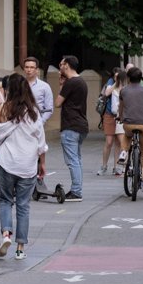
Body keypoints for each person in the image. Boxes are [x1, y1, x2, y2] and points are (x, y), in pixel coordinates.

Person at [0, 74, 47, 261]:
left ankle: (6, 234)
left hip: (7, 161)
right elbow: (41, 141)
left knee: (5, 200)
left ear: (9, 89)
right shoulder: (34, 112)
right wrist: (42, 163)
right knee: (23, 206)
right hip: (28, 163)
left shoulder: (4, 108)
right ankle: (20, 247)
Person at [55, 55, 88, 201]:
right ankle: (77, 189)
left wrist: (61, 85)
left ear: (66, 65)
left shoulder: (71, 83)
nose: (60, 66)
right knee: (77, 159)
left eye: (61, 64)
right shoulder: (81, 81)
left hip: (70, 125)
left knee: (72, 160)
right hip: (81, 125)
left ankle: (76, 191)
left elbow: (57, 103)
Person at [116, 66, 143, 192]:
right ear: (140, 78)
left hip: (129, 124)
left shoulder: (124, 91)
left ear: (128, 78)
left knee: (127, 135)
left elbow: (121, 108)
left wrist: (120, 118)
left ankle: (123, 152)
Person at [97, 68, 125, 177]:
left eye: (118, 77)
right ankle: (104, 166)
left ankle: (116, 167)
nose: (116, 78)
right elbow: (107, 93)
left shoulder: (125, 84)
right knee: (109, 142)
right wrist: (115, 83)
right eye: (115, 76)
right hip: (109, 115)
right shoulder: (110, 83)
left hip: (120, 116)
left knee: (118, 142)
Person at [23, 57, 54, 125]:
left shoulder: (45, 86)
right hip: (20, 125)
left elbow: (49, 109)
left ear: (37, 70)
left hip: (37, 122)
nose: (29, 70)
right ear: (24, 69)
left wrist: (40, 122)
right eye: (27, 67)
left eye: (32, 67)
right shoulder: (19, 85)